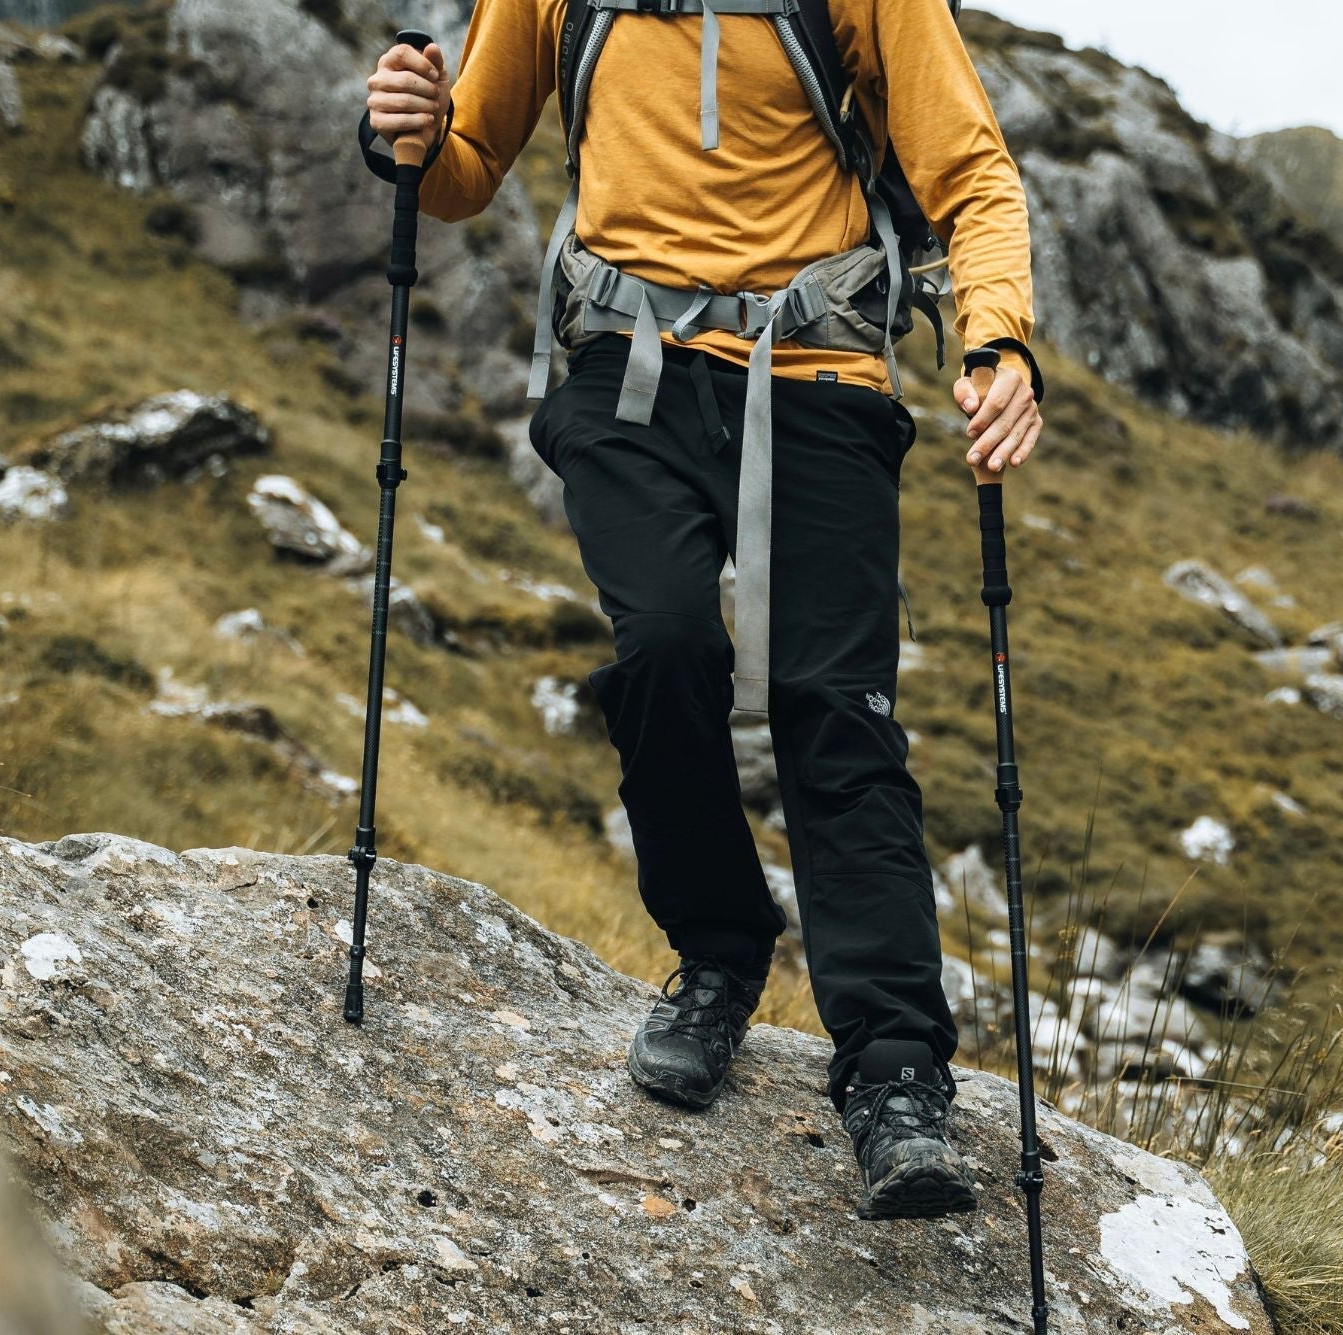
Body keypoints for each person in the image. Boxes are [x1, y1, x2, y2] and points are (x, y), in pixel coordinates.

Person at [365, 0, 1041, 1220]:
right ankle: (721, 954)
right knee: (665, 644)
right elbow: (467, 167)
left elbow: (971, 173)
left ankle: (893, 1070)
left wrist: (998, 341)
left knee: (831, 705)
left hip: (821, 375)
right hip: (627, 374)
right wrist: (411, 135)